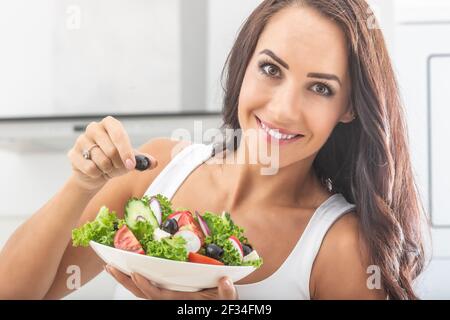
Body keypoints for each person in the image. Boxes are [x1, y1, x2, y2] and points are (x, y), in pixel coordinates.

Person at [0, 0, 428, 300]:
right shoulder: (158, 169)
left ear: (350, 107)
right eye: (270, 69)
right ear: (245, 65)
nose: (282, 109)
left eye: (320, 87)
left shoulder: (340, 246)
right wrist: (80, 186)